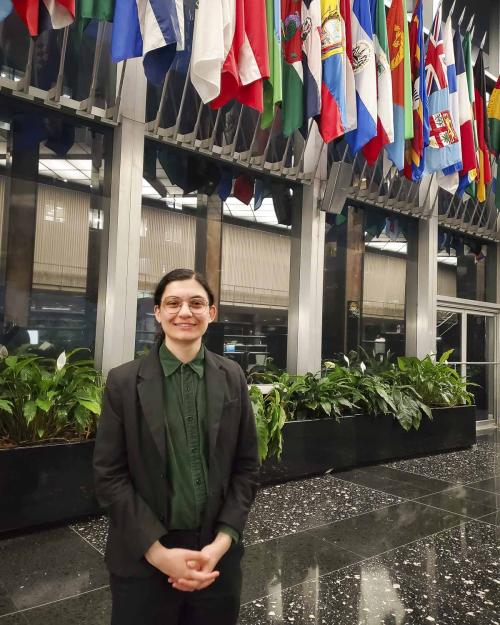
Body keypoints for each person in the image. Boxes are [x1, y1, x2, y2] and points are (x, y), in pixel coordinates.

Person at [93, 268, 259, 625]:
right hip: (143, 559)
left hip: (217, 559)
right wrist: (156, 552)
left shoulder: (232, 376)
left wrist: (222, 542)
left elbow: (246, 468)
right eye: (173, 303)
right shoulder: (123, 382)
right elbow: (109, 475)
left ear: (211, 312)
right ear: (157, 312)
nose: (185, 312)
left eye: (197, 303)